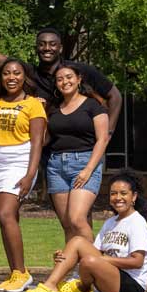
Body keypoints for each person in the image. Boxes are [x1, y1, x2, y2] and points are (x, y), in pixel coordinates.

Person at [0, 0, 125, 119]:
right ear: (36, 48)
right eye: (42, 44)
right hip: (44, 150)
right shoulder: (30, 73)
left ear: (60, 48)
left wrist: (107, 133)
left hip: (79, 151)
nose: (47, 48)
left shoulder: (78, 71)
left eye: (52, 44)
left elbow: (115, 96)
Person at [26, 170, 147, 292]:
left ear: (134, 196)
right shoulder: (110, 222)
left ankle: (83, 287)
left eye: (123, 193)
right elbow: (93, 251)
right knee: (77, 241)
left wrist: (104, 260)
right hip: (109, 273)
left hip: (131, 284)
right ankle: (50, 285)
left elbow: (137, 262)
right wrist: (64, 257)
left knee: (89, 261)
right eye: (113, 193)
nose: (118, 198)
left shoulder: (137, 222)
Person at [0, 58, 47, 292]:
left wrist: (30, 175)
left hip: (18, 162)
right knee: (4, 219)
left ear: (24, 77)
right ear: (1, 77)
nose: (11, 77)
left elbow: (38, 143)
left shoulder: (33, 105)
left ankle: (21, 273)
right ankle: (15, 273)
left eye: (17, 73)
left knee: (5, 213)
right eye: (7, 73)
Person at [45, 64, 111, 245]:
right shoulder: (54, 108)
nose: (65, 82)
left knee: (77, 219)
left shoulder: (93, 105)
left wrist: (88, 169)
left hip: (83, 162)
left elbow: (102, 140)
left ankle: (95, 265)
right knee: (67, 225)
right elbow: (45, 139)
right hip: (55, 166)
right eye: (60, 79)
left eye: (69, 77)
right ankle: (75, 270)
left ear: (79, 79)